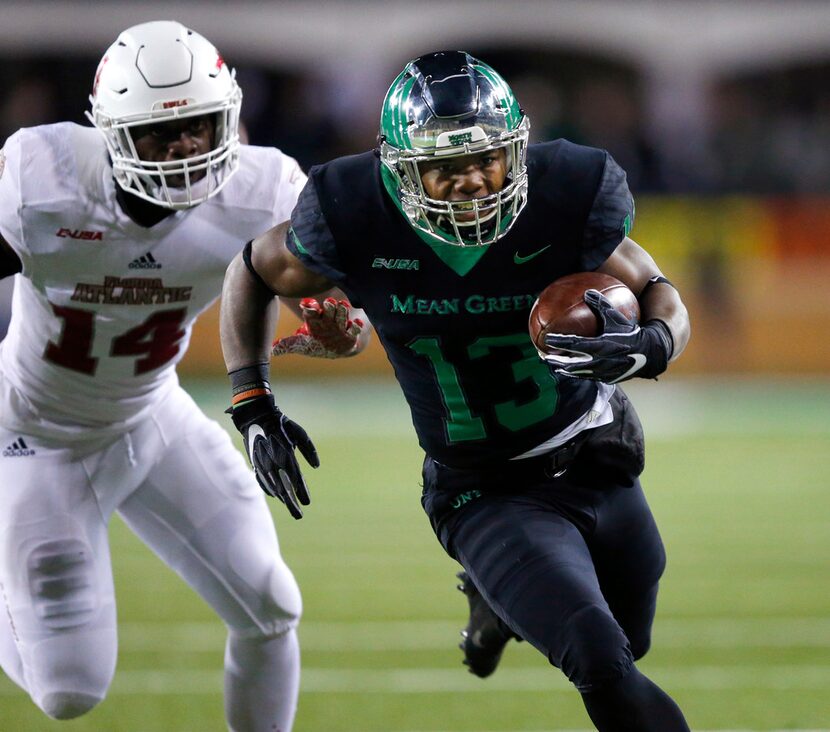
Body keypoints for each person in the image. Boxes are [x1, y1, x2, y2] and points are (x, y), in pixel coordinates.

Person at [220, 51, 692, 731]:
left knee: (629, 634)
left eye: (487, 161)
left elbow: (655, 290)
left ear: (515, 153)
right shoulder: (355, 212)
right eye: (446, 167)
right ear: (402, 171)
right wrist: (252, 403)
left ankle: (496, 605)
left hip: (595, 454)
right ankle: (504, 588)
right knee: (599, 654)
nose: (472, 182)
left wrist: (652, 343)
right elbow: (253, 270)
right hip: (484, 488)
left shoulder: (564, 192)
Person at [0, 20, 366, 730]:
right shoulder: (42, 185)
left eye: (199, 125)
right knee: (69, 692)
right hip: (36, 431)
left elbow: (346, 328)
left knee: (271, 605)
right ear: (108, 134)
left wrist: (339, 327)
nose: (185, 148)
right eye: (159, 134)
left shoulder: (261, 195)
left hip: (149, 413)